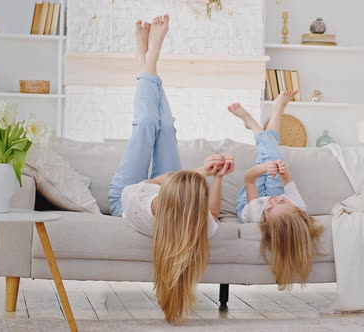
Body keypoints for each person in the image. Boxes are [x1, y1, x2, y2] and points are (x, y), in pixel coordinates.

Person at [108, 15, 234, 324]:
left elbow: (153, 181)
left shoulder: (143, 204)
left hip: (128, 193)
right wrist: (216, 177)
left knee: (147, 127)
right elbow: (214, 216)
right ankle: (145, 59)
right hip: (166, 194)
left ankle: (150, 56)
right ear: (193, 210)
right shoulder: (194, 221)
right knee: (166, 128)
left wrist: (198, 173)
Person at [228, 91, 323, 290]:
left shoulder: (257, 215)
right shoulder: (297, 207)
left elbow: (249, 179)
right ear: (294, 208)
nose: (272, 202)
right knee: (273, 156)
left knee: (268, 159)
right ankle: (275, 113)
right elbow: (287, 180)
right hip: (270, 193)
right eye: (281, 202)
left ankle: (254, 124)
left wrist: (264, 169)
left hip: (249, 200)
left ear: (266, 221)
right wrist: (282, 170)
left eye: (271, 209)